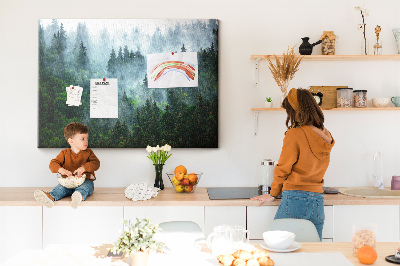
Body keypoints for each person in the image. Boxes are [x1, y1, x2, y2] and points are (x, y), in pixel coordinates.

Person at [251, 88, 335, 240]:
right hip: (317, 201)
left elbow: (283, 169)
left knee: (277, 246)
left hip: (295, 199)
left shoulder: (295, 134)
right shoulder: (326, 135)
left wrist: (272, 194)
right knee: (312, 253)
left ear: (296, 111)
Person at [34, 122, 100, 209]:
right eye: (82, 138)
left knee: (85, 188)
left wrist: (83, 168)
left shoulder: (89, 152)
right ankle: (50, 197)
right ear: (71, 140)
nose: (86, 141)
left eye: (86, 138)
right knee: (60, 188)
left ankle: (77, 196)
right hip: (67, 182)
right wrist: (62, 170)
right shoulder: (64, 153)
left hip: (85, 181)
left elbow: (96, 163)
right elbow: (53, 163)